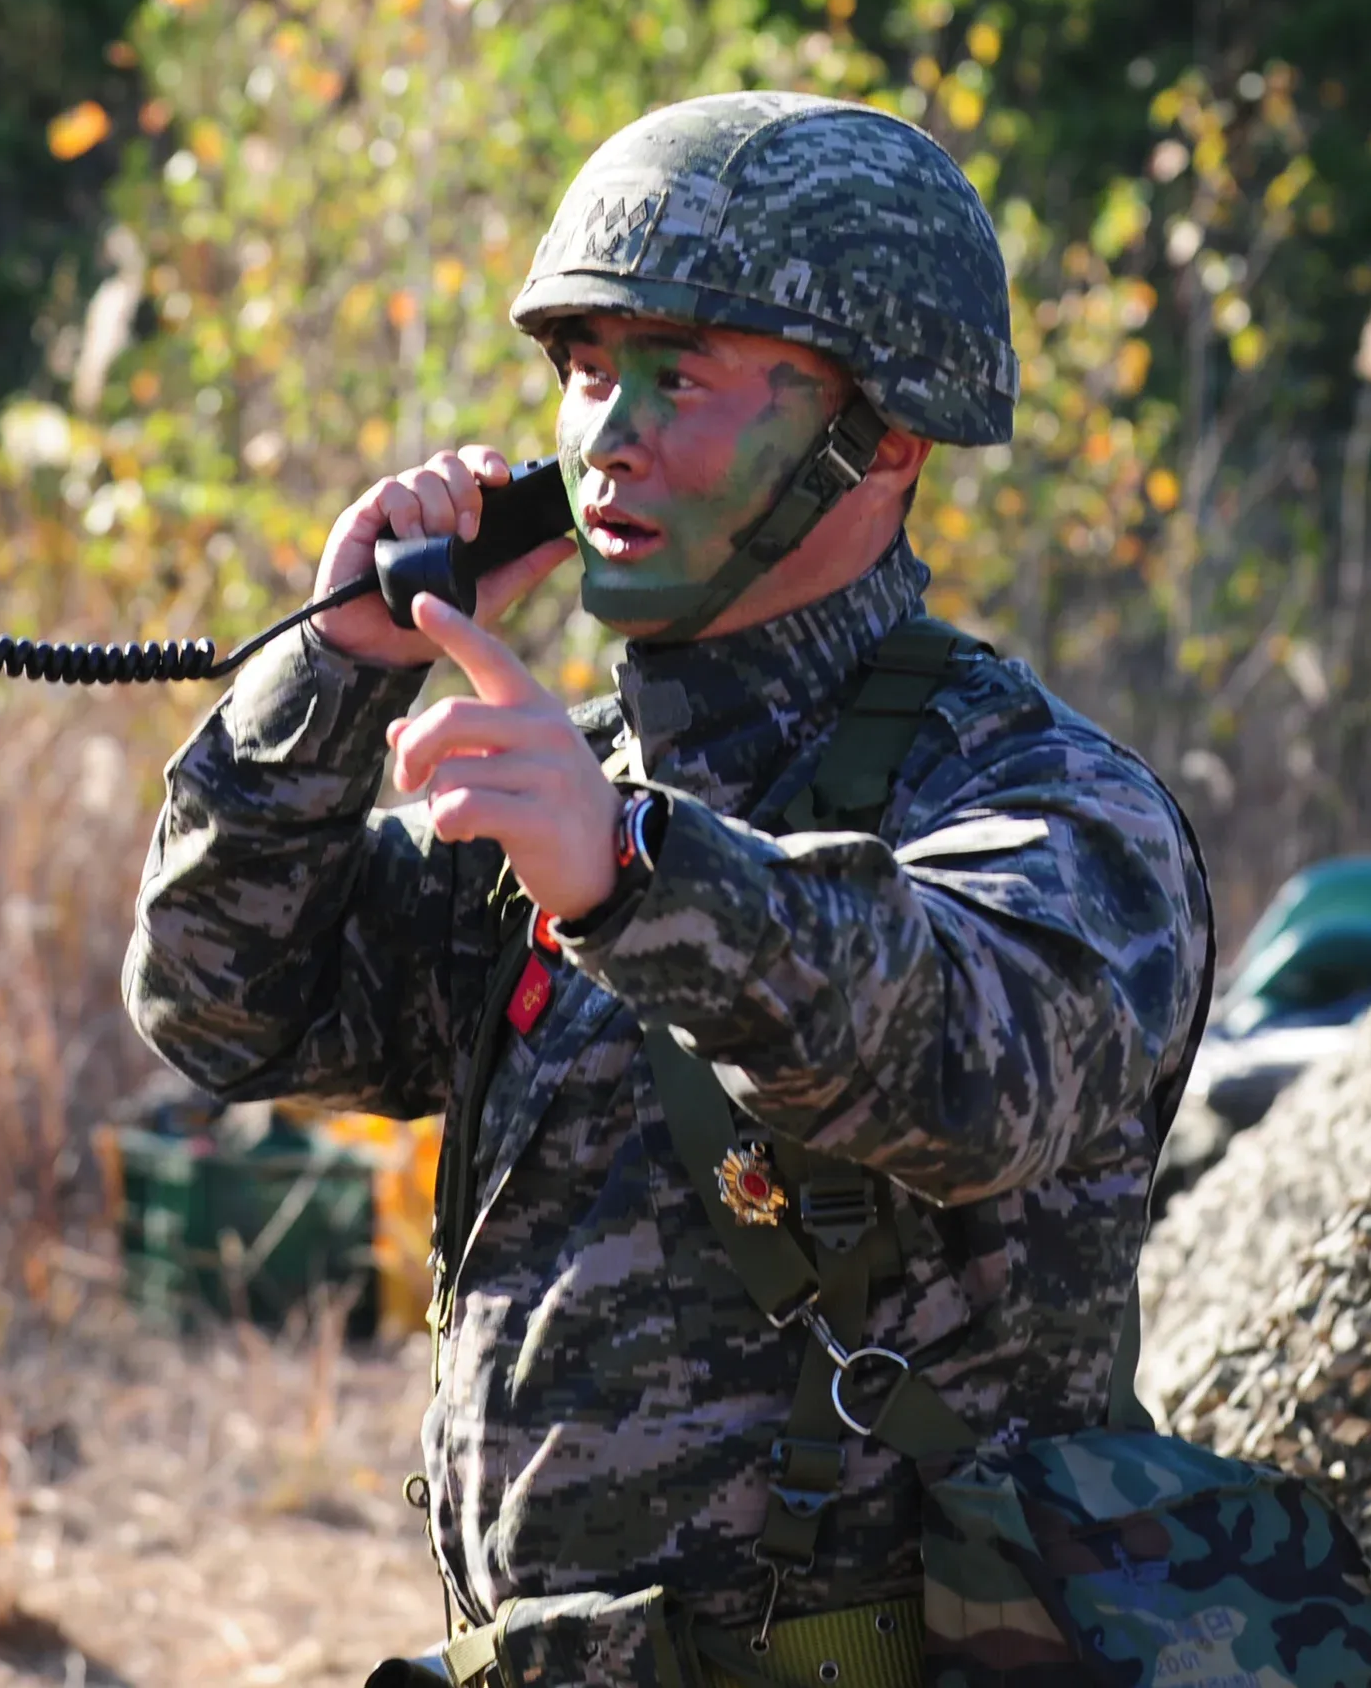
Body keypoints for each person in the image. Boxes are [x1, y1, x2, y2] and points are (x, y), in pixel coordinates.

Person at [123, 91, 1211, 1683]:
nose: (604, 439)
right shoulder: (562, 782)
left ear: (884, 439)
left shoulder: (1044, 795)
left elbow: (971, 1070)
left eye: (678, 378)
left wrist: (630, 873)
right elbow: (224, 1010)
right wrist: (335, 673)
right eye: (584, 370)